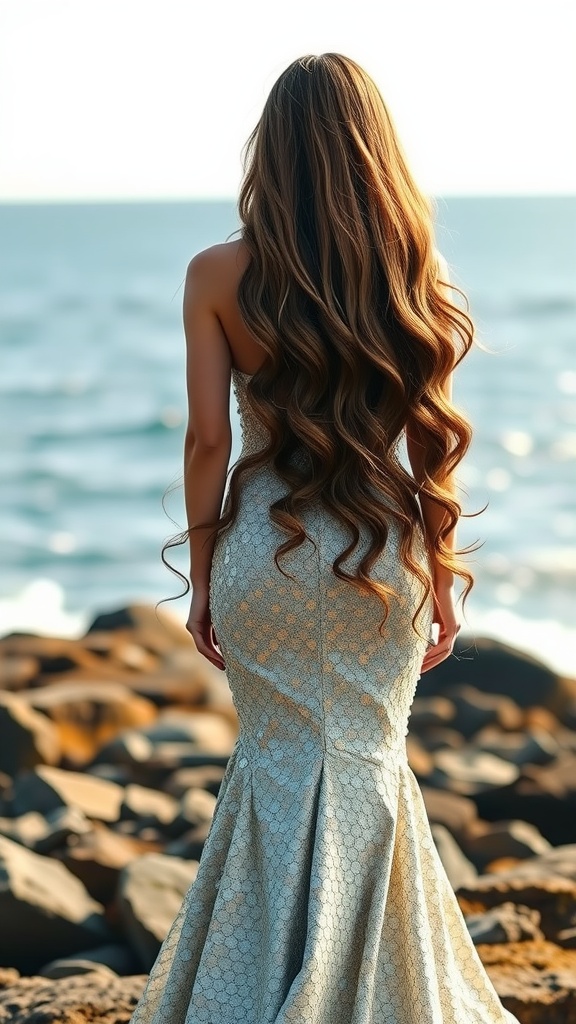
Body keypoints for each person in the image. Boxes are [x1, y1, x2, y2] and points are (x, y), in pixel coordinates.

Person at [130, 53, 519, 1024]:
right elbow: (432, 440)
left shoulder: (218, 273)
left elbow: (207, 439)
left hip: (266, 549)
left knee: (273, 764)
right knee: (368, 765)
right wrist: (443, 574)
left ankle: (250, 990)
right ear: (371, 153)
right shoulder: (409, 268)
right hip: (382, 556)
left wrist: (207, 571)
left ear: (274, 150)